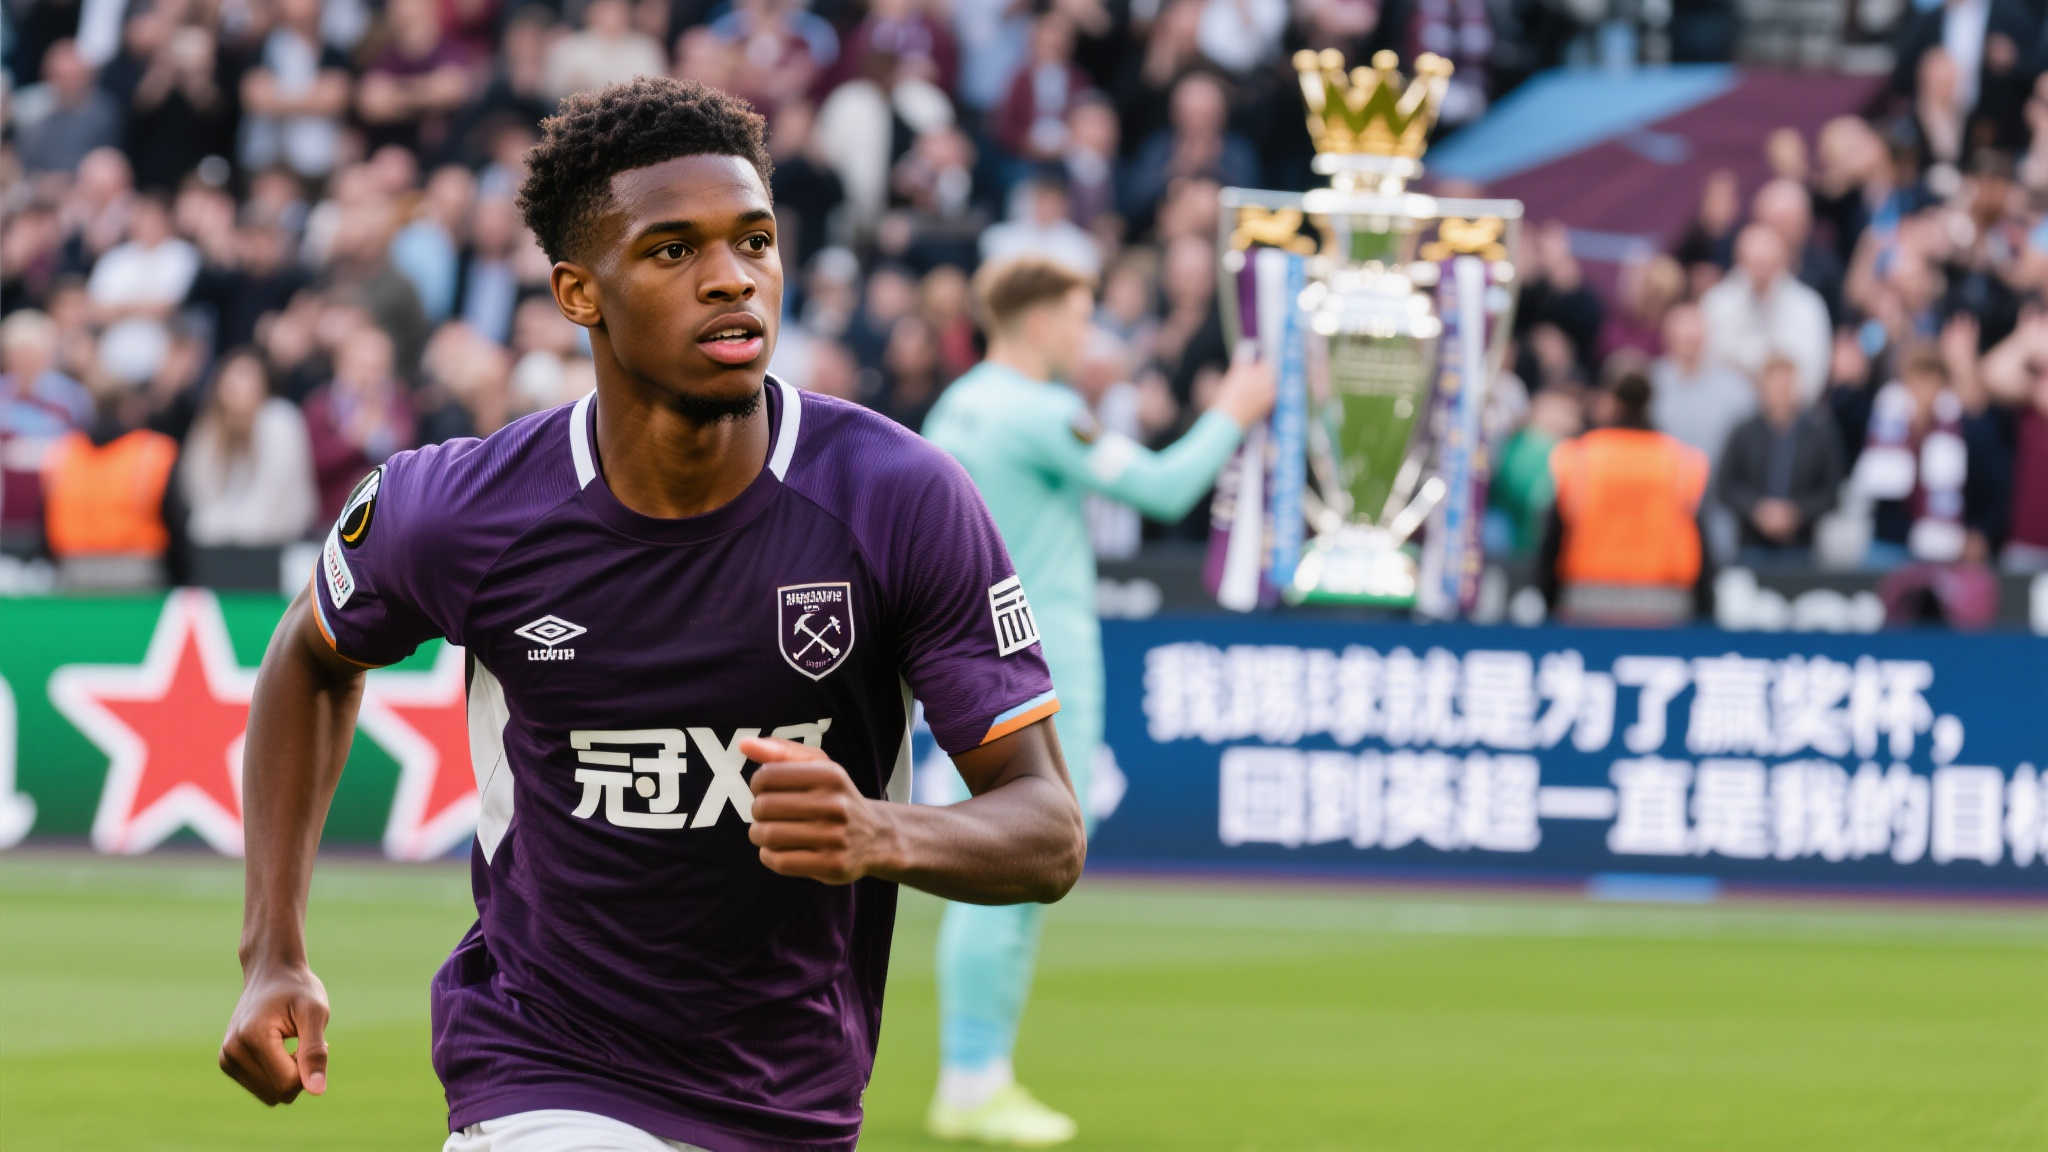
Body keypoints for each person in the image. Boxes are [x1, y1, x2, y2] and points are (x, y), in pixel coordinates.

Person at [217, 77, 1087, 1152]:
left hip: (795, 1101)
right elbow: (312, 656)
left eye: (754, 241)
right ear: (579, 293)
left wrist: (882, 832)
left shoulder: (898, 498)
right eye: (674, 250)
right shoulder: (460, 511)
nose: (732, 278)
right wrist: (272, 952)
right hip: (542, 1072)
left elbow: (1047, 830)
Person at [920, 255, 1273, 1145]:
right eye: (1081, 318)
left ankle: (973, 1073)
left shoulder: (956, 408)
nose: (1089, 338)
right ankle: (973, 1079)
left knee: (991, 863)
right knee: (1015, 865)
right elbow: (1163, 486)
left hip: (968, 665)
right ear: (1040, 321)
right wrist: (1232, 413)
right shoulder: (1039, 413)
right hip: (1041, 667)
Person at [1539, 371, 1712, 625]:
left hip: (1589, 597)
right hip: (1663, 600)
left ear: (1613, 404)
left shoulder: (1580, 457)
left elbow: (1554, 536)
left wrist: (1548, 601)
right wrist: (1706, 611)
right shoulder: (1681, 461)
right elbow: (1701, 541)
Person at [1714, 354, 1844, 562]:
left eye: (1786, 385)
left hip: (1801, 548)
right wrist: (1757, 510)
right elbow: (1725, 486)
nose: (1780, 392)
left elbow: (1831, 493)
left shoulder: (1819, 432)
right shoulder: (1744, 431)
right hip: (1751, 546)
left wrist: (1796, 513)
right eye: (1774, 385)